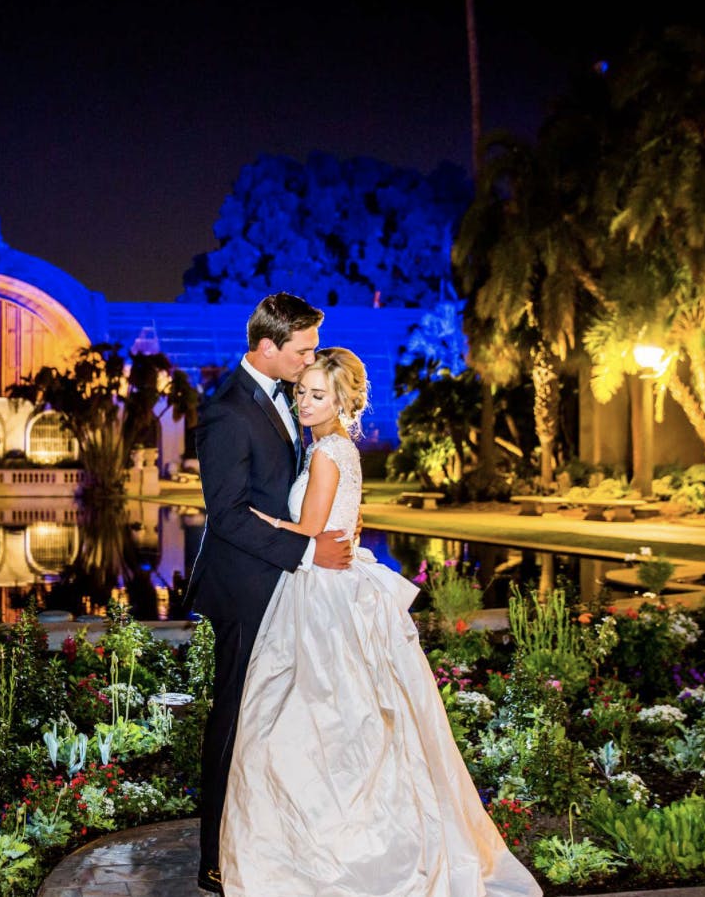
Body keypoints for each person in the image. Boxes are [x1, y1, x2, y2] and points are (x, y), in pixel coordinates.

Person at [220, 348, 541, 897]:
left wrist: (255, 515)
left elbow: (310, 531)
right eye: (301, 392)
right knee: (349, 720)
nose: (304, 402)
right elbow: (347, 520)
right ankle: (346, 838)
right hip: (335, 584)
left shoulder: (327, 454)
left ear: (342, 401)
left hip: (322, 595)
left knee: (313, 718)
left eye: (317, 395)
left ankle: (327, 850)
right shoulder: (335, 448)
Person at [185, 293, 356, 894]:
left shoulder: (286, 396)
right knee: (234, 720)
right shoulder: (228, 411)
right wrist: (310, 552)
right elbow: (228, 514)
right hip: (244, 588)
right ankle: (215, 859)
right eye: (303, 349)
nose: (311, 358)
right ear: (266, 346)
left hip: (283, 584)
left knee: (275, 721)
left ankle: (267, 835)